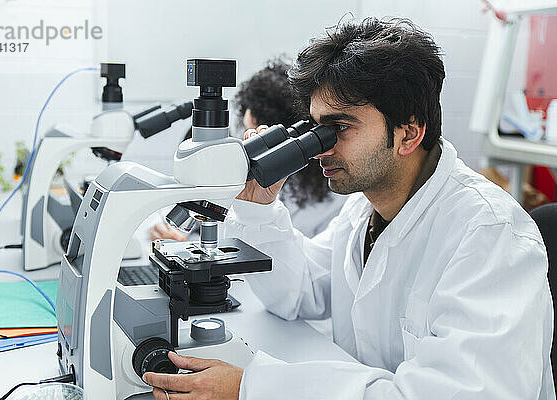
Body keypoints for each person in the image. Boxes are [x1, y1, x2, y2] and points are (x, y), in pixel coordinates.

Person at [143, 17, 554, 400]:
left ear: (408, 132)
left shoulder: (490, 234)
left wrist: (255, 387)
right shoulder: (364, 209)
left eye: (338, 128)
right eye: (315, 127)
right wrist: (260, 210)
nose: (322, 146)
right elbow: (300, 293)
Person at [149, 59, 346, 241]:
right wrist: (165, 230)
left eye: (250, 132)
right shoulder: (238, 166)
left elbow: (305, 266)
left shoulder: (334, 199)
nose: (245, 139)